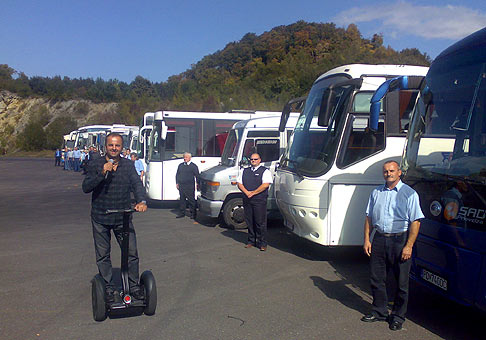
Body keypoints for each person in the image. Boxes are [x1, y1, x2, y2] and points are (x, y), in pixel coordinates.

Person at [82, 133, 148, 303]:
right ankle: (109, 289)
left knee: (131, 253)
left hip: (122, 217)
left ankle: (133, 287)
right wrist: (102, 172)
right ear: (106, 146)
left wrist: (141, 201)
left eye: (117, 145)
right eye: (111, 145)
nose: (114, 148)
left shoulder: (128, 165)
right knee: (103, 255)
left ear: (122, 148)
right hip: (100, 216)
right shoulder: (96, 163)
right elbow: (86, 187)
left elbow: (136, 184)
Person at [361, 160, 424, 331]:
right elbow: (369, 218)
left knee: (401, 282)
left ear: (399, 172)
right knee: (377, 278)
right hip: (380, 239)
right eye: (385, 171)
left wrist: (409, 245)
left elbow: (415, 222)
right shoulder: (376, 192)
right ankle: (379, 311)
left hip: (400, 240)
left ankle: (397, 316)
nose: (388, 174)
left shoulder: (409, 194)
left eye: (392, 171)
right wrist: (367, 239)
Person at [237, 153, 272, 251]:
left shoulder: (265, 171)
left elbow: (265, 184)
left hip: (259, 200)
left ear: (259, 160)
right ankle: (251, 241)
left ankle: (262, 243)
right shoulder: (244, 170)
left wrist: (253, 193)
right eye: (252, 159)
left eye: (255, 159)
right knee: (249, 221)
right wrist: (247, 193)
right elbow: (239, 183)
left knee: (260, 222)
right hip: (247, 199)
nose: (253, 161)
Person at [175, 152, 199, 219]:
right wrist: (177, 183)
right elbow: (177, 175)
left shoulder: (193, 166)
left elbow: (197, 176)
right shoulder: (180, 165)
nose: (184, 158)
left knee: (191, 200)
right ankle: (182, 213)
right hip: (181, 186)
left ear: (190, 158)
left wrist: (198, 184)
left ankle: (193, 214)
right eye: (184, 157)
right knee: (182, 200)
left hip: (189, 186)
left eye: (186, 157)